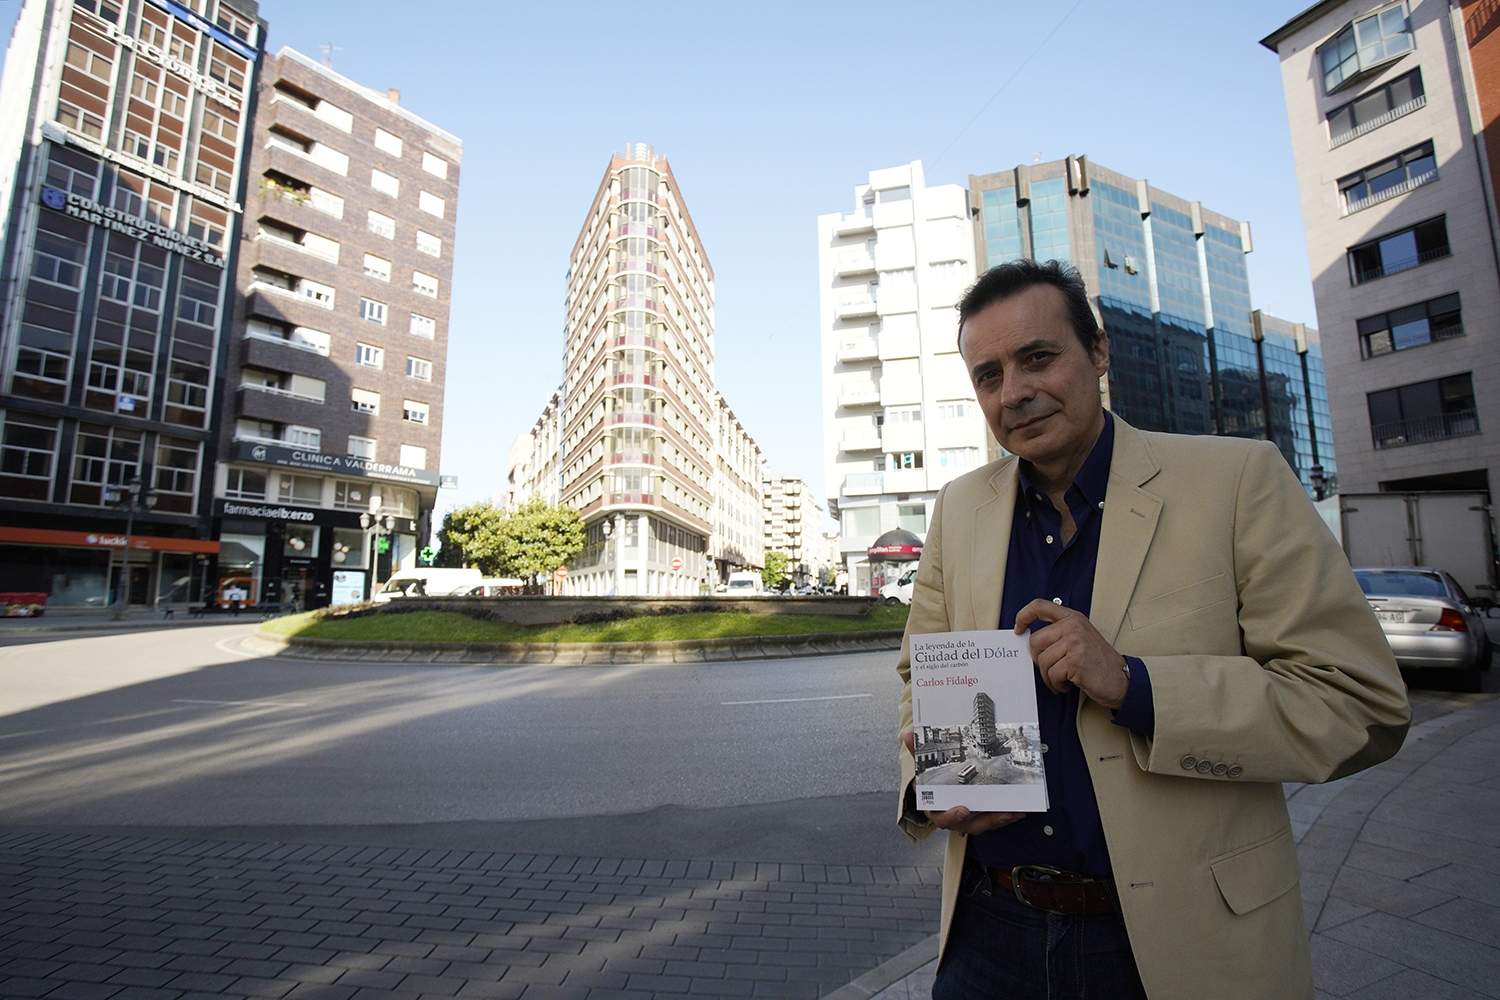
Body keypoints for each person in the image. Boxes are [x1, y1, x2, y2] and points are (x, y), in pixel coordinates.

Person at [895, 260, 1410, 1000]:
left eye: (1038, 357)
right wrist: (933, 785)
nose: (1015, 392)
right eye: (988, 375)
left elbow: (1361, 706)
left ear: (1098, 353)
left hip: (1175, 944)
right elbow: (919, 680)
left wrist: (1136, 685)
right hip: (989, 933)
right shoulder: (959, 508)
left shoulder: (1237, 481)